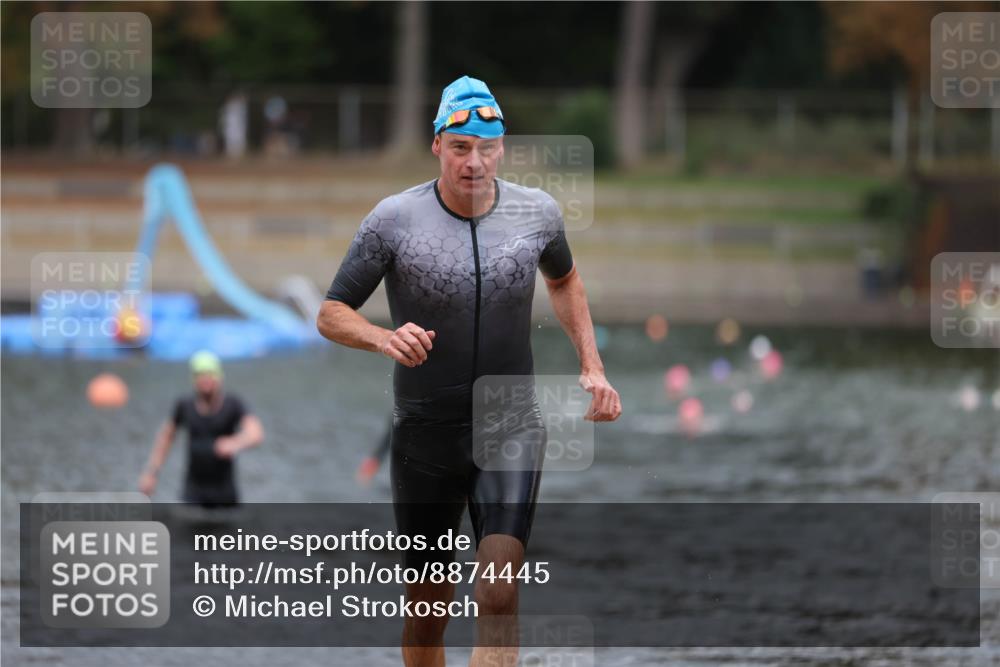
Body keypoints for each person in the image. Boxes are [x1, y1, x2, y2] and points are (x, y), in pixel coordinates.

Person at [317, 75, 621, 667]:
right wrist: (383, 337)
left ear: (502, 148)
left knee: (499, 590)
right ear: (437, 145)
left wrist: (592, 365)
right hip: (426, 434)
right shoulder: (393, 220)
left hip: (510, 423)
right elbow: (331, 312)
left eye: (486, 148)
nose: (474, 162)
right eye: (460, 148)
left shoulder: (537, 213)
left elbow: (564, 281)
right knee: (428, 609)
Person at [138, 350, 264, 507]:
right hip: (193, 493)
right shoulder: (185, 405)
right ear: (194, 379)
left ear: (219, 377)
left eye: (210, 374)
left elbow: (256, 433)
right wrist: (151, 473)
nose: (205, 379)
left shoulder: (232, 404)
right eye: (200, 375)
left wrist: (235, 443)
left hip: (225, 494)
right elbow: (166, 437)